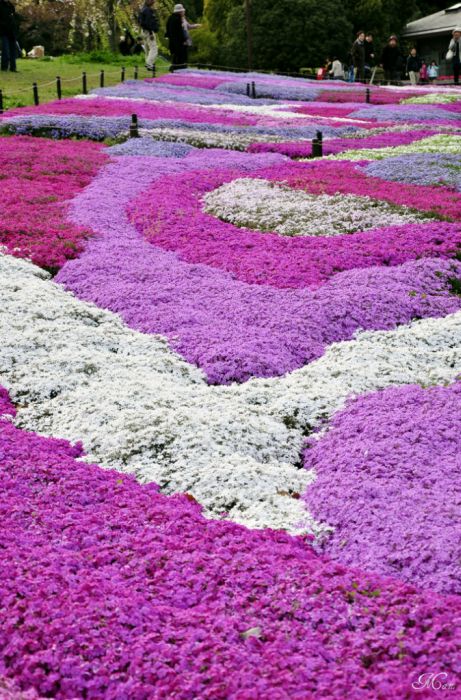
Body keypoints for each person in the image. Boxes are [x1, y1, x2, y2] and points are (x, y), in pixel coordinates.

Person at [165, 4, 200, 71]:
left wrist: (196, 26)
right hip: (178, 42)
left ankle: (177, 68)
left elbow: (188, 26)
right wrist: (183, 40)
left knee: (178, 56)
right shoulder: (177, 19)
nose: (184, 12)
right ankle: (179, 69)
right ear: (180, 11)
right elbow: (179, 32)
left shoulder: (176, 18)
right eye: (183, 11)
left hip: (176, 41)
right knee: (180, 56)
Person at [138, 0, 159, 73]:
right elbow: (148, 22)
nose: (153, 2)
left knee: (147, 49)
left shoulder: (142, 10)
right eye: (152, 0)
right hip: (148, 31)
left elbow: (140, 22)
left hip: (144, 31)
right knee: (154, 49)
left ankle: (148, 63)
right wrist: (150, 33)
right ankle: (149, 63)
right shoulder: (148, 10)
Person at [0, 0, 17, 72]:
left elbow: (14, 16)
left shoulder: (10, 5)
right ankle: (4, 67)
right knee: (6, 51)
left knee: (13, 51)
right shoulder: (0, 5)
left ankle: (13, 68)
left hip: (12, 32)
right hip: (4, 31)